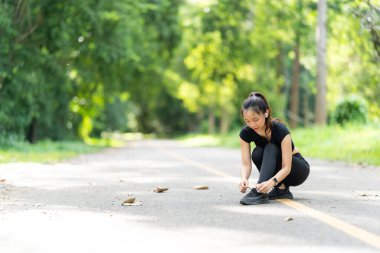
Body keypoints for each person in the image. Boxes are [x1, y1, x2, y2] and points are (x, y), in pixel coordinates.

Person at [239, 92, 310, 205]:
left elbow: (287, 167)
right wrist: (244, 178)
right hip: (280, 173)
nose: (252, 125)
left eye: (255, 119)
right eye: (247, 121)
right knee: (257, 153)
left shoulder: (280, 130)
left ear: (266, 113)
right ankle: (281, 190)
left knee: (271, 147)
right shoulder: (245, 133)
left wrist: (271, 182)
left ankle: (259, 192)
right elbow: (246, 164)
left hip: (297, 170)